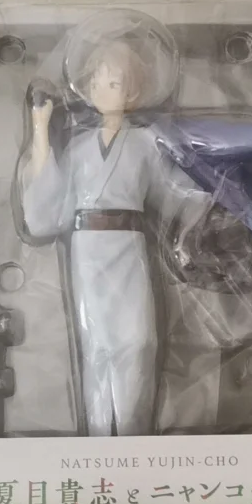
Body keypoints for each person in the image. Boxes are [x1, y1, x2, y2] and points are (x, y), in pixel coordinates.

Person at [21, 40, 209, 436]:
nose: (104, 91)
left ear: (133, 92)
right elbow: (48, 210)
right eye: (97, 83)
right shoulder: (78, 147)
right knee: (96, 345)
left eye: (114, 83)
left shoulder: (146, 142)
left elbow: (175, 191)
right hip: (87, 248)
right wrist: (40, 129)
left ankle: (132, 432)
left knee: (138, 340)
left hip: (129, 245)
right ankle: (98, 435)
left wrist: (211, 194)